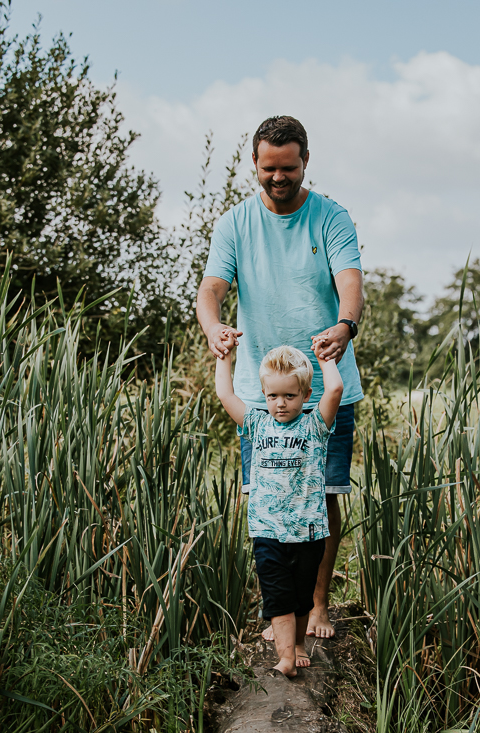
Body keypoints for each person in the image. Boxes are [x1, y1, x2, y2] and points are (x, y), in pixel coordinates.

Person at [196, 114, 364, 640]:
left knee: (323, 496)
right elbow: (211, 292)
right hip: (261, 392)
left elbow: (351, 284)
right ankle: (282, 613)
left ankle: (318, 605)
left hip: (325, 386)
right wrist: (213, 327)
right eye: (268, 168)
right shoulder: (234, 224)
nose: (278, 177)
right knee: (268, 501)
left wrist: (345, 325)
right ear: (255, 163)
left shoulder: (331, 218)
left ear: (305, 161)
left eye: (288, 168)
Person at [215, 340, 343, 676]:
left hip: (308, 531)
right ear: (263, 394)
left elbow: (335, 390)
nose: (281, 404)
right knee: (277, 596)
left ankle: (299, 644)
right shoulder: (257, 425)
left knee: (302, 599)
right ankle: (286, 658)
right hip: (267, 530)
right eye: (273, 396)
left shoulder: (314, 427)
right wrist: (224, 359)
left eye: (289, 396)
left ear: (304, 394)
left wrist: (325, 359)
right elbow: (226, 396)